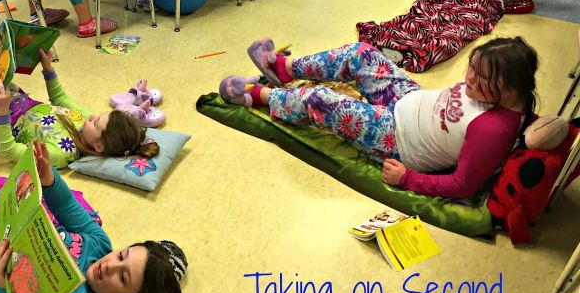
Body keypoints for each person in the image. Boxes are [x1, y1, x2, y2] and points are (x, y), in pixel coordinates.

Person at [219, 36, 537, 199]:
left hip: (395, 138)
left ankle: (259, 97)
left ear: (509, 89)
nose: (468, 79)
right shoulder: (499, 93)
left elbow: (463, 185)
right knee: (361, 53)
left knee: (322, 101)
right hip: (407, 98)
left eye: (481, 78)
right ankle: (282, 70)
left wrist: (406, 179)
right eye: (472, 69)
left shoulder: (494, 129)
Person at [0, 143, 186, 293]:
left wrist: (1, 286)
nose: (110, 265)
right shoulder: (100, 244)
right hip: (6, 233)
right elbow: (66, 204)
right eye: (120, 256)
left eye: (122, 277)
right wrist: (48, 176)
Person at [0, 48, 160, 168]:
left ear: (99, 147)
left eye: (96, 122)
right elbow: (59, 99)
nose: (92, 117)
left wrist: (1, 112)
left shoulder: (60, 154)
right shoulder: (85, 121)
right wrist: (48, 69)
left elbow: (9, 151)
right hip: (15, 101)